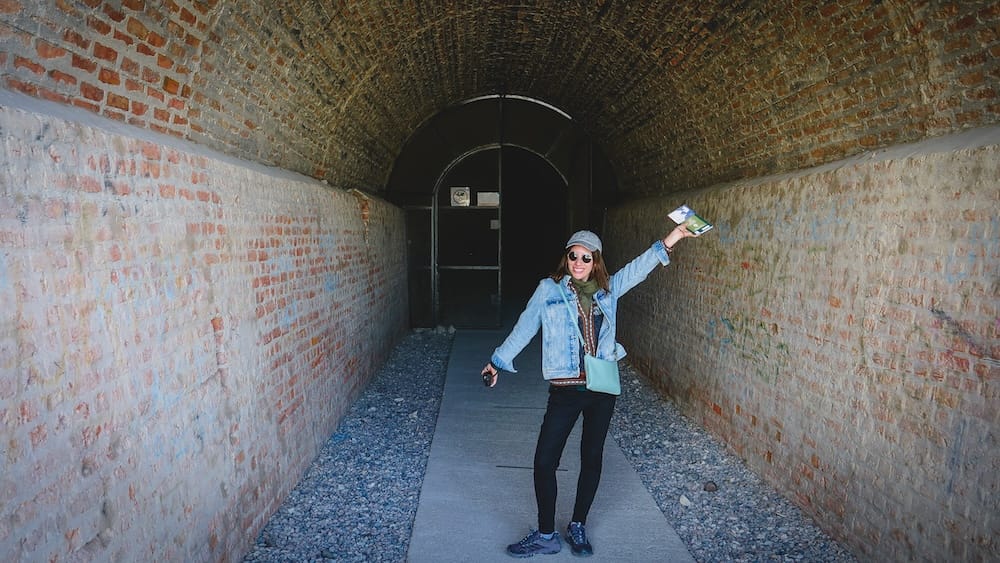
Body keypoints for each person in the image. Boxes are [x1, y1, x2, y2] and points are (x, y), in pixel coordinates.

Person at [482, 224, 699, 558]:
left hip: (601, 389)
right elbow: (524, 328)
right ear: (566, 257)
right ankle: (546, 534)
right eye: (574, 256)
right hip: (565, 390)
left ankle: (578, 525)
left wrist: (675, 237)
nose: (579, 263)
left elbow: (640, 268)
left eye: (587, 257)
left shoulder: (609, 289)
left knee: (592, 457)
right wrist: (497, 362)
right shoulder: (548, 289)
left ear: (596, 261)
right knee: (544, 461)